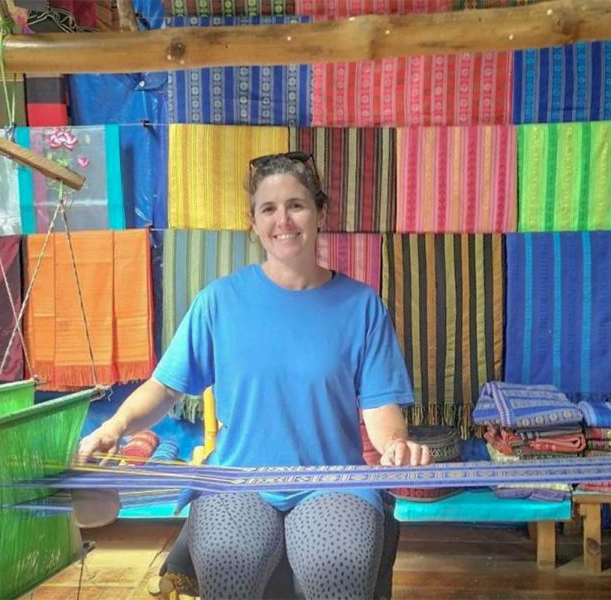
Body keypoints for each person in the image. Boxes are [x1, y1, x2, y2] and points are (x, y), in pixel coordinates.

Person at [77, 151, 432, 599]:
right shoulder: (219, 302)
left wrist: (396, 444)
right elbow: (165, 387)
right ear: (254, 222)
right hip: (236, 481)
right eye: (269, 208)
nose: (283, 220)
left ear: (320, 213)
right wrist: (113, 427)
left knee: (337, 571)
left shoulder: (362, 307)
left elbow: (381, 407)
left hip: (333, 484)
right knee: (228, 565)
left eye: (296, 205)